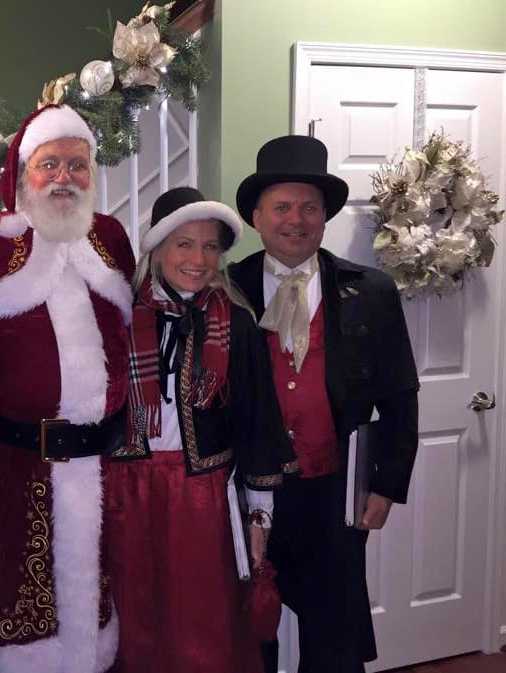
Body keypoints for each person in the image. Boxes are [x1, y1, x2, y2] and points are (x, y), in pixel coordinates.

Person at [0, 104, 134, 673]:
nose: (64, 177)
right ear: (22, 173)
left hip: (104, 469)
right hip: (15, 469)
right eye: (49, 164)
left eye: (77, 165)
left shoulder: (110, 238)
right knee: (20, 620)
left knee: (99, 612)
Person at [229, 135, 420, 673]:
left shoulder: (372, 291)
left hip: (335, 493)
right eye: (282, 207)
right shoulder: (225, 290)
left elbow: (400, 395)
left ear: (325, 217)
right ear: (257, 217)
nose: (296, 220)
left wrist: (387, 484)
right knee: (248, 632)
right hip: (248, 493)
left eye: (309, 208)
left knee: (335, 640)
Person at [105, 186, 295, 673]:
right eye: (184, 244)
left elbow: (257, 421)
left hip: (203, 497)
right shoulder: (116, 318)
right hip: (126, 494)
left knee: (200, 625)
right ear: (157, 248)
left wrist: (259, 517)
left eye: (210, 246)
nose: (198, 259)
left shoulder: (236, 324)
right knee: (134, 622)